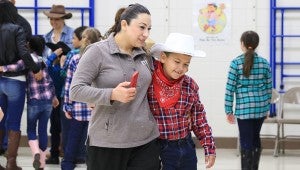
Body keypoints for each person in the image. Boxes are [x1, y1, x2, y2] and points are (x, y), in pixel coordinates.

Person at [70, 3, 160, 170]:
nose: (146, 34)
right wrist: (111, 94)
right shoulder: (97, 51)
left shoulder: (145, 54)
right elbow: (75, 90)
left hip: (146, 140)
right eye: (141, 27)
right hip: (107, 142)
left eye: (149, 29)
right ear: (124, 24)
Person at [148, 33, 216, 170]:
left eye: (186, 64)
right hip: (158, 148)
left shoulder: (189, 85)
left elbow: (199, 119)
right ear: (163, 57)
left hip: (186, 147)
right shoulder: (149, 82)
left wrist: (209, 146)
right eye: (177, 62)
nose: (181, 68)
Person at [1, 35, 59, 170]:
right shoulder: (44, 61)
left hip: (34, 101)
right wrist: (54, 97)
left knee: (31, 130)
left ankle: (36, 153)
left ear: (28, 46)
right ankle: (42, 164)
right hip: (47, 102)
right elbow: (49, 81)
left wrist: (2, 68)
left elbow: (15, 67)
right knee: (43, 130)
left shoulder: (27, 60)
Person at [0, 0, 43, 169]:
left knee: (0, 120)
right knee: (14, 123)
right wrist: (35, 68)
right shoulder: (17, 29)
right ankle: (11, 162)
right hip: (16, 81)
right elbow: (24, 53)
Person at [224, 30, 272, 170]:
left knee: (246, 141)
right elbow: (269, 88)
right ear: (256, 44)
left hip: (244, 110)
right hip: (260, 109)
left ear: (242, 44)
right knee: (255, 138)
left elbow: (230, 89)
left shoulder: (235, 63)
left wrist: (228, 110)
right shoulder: (264, 63)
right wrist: (267, 108)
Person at [61, 27, 102, 170]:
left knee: (73, 138)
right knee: (92, 141)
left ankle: (67, 164)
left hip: (78, 107)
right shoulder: (102, 57)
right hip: (96, 108)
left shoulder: (75, 58)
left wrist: (67, 105)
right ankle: (91, 164)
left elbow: (69, 84)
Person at [43, 4, 74, 164]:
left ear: (62, 19)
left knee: (68, 120)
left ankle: (68, 153)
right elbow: (42, 62)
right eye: (51, 19)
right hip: (52, 82)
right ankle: (54, 153)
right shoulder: (45, 37)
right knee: (54, 120)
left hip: (68, 80)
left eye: (56, 19)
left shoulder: (72, 34)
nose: (53, 22)